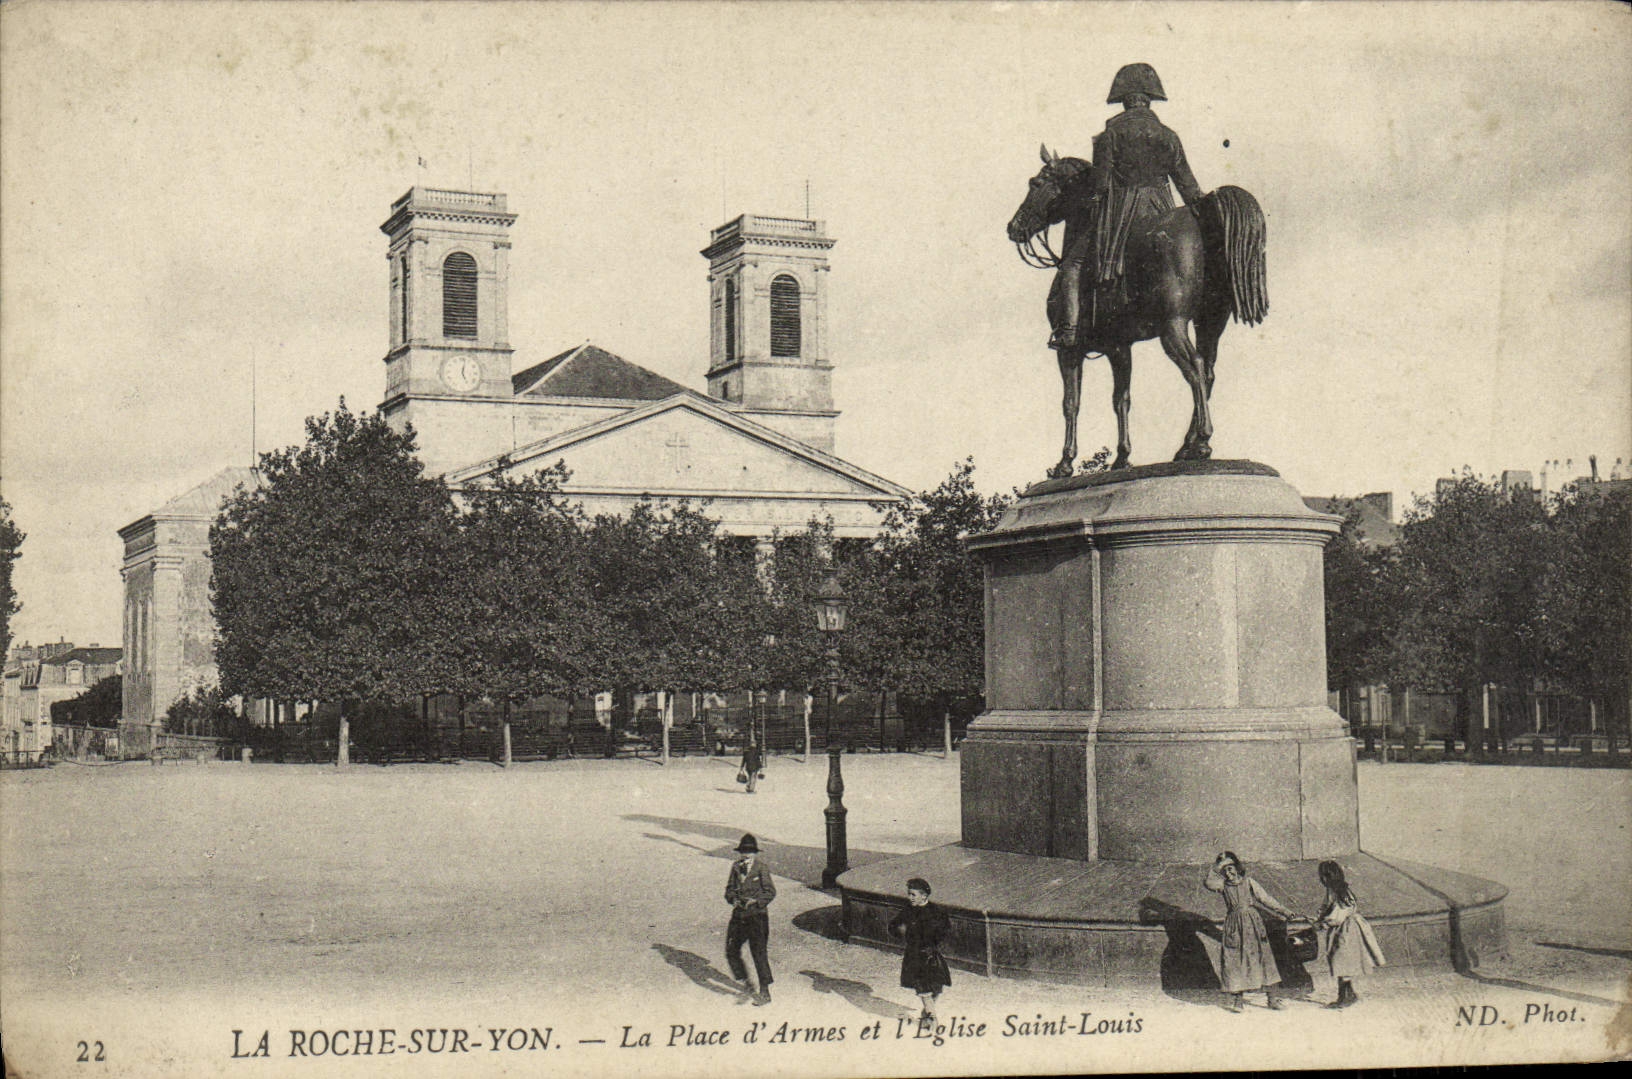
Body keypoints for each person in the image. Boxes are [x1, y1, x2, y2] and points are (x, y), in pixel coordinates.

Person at [1051, 62, 1205, 350]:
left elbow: (1101, 183)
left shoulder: (1111, 133)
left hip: (1121, 213)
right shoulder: (1169, 136)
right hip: (1160, 210)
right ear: (1149, 99)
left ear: (1124, 100)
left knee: (1072, 264)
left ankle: (1069, 330)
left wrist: (1094, 201)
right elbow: (1188, 186)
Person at [1204, 851, 1303, 1012]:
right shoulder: (1222, 886)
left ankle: (1273, 999)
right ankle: (1238, 1001)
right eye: (1224, 871)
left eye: (1231, 868)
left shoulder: (1249, 882)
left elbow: (1265, 898)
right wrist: (1217, 866)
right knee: (1235, 961)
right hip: (1233, 925)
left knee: (1264, 958)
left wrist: (1285, 911)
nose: (1228, 873)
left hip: (1252, 924)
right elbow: (1208, 882)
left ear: (1237, 867)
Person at [1314, 860, 1386, 1008]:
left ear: (1329, 876)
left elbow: (1337, 915)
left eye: (1323, 876)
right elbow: (1326, 907)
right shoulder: (1334, 890)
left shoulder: (1340, 892)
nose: (1321, 879)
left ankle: (1345, 996)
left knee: (1341, 960)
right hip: (1343, 928)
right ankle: (1348, 994)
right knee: (1340, 960)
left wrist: (1322, 924)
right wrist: (1320, 917)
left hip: (1346, 930)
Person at [889, 877, 951, 1023]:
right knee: (923, 989)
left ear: (924, 896)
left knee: (937, 986)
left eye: (913, 895)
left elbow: (945, 928)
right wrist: (901, 932)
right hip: (914, 955)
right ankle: (932, 1021)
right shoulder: (908, 910)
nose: (910, 897)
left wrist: (934, 942)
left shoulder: (936, 911)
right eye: (909, 894)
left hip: (931, 954)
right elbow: (893, 926)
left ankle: (926, 1014)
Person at [724, 833, 776, 1005]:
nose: (746, 855)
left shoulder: (761, 868)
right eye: (743, 852)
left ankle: (765, 992)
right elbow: (729, 890)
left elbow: (770, 892)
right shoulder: (735, 867)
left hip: (757, 917)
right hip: (738, 916)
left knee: (759, 953)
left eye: (750, 852)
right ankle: (746, 982)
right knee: (731, 950)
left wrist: (756, 901)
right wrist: (733, 899)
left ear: (755, 853)